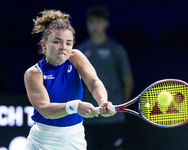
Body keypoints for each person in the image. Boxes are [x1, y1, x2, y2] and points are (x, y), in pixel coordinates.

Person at [24, 9, 115, 150]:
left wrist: (103, 101)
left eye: (68, 43)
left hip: (75, 138)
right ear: (44, 44)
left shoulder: (76, 57)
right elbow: (45, 109)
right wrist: (75, 106)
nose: (63, 48)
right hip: (42, 141)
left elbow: (94, 82)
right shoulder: (34, 73)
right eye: (57, 42)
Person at [76, 5, 134, 150]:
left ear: (106, 23)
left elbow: (128, 81)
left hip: (112, 118)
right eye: (91, 22)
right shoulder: (80, 51)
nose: (94, 26)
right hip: (88, 118)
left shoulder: (116, 49)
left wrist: (120, 108)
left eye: (98, 22)